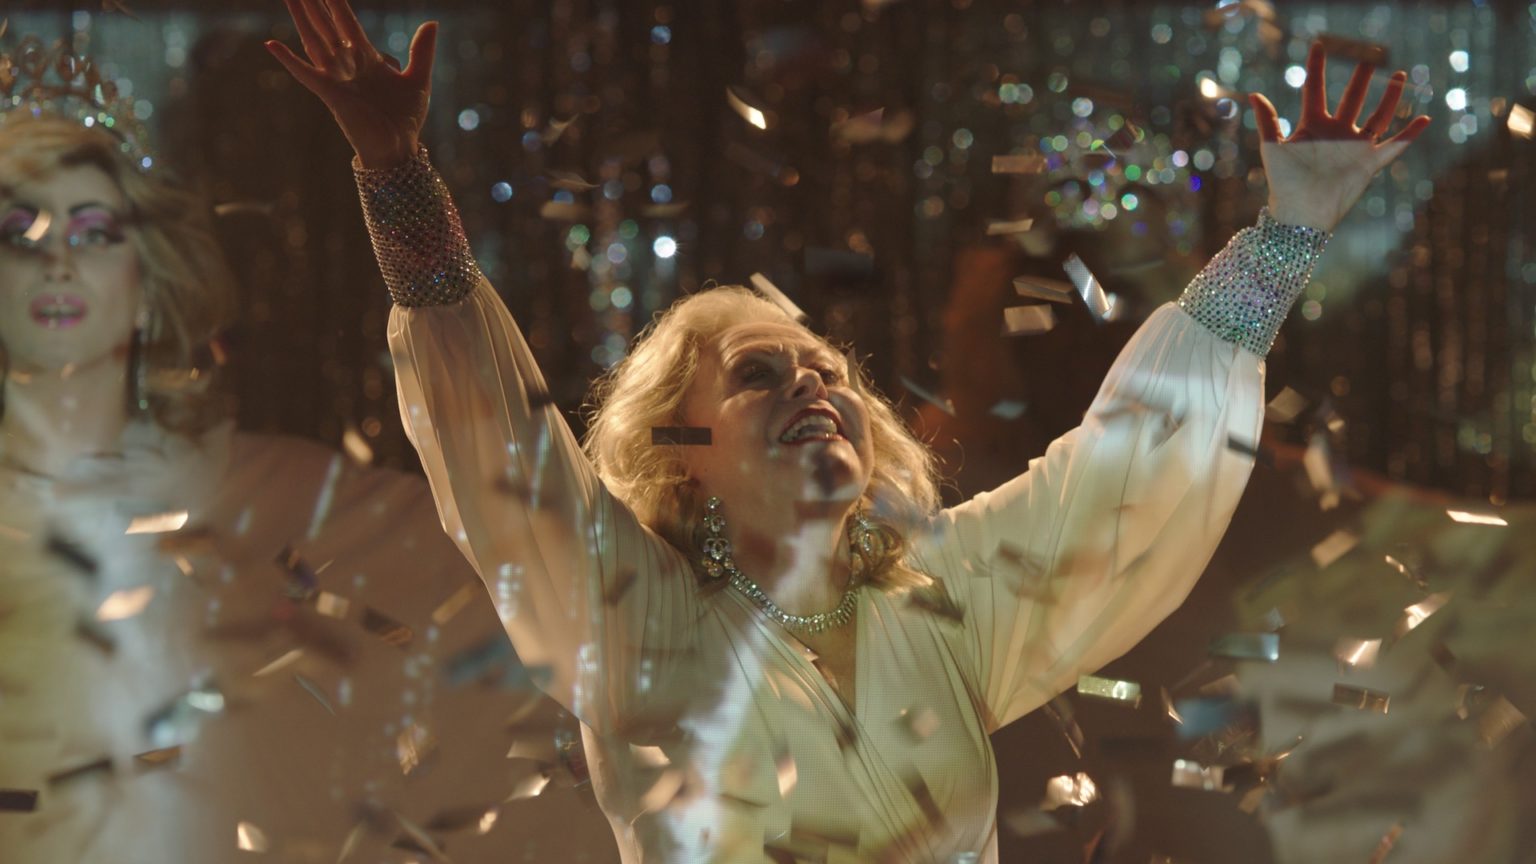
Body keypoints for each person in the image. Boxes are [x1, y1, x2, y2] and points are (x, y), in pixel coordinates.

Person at [269, 1, 1429, 859]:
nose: (814, 388)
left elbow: (1137, 457)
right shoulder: (641, 625)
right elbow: (495, 443)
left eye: (829, 374)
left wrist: (1291, 229)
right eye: (759, 375)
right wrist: (394, 168)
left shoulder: (950, 599)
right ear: (684, 453)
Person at [0, 35, 611, 863]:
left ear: (148, 278)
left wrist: (399, 181)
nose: (57, 261)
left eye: (94, 230)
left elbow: (517, 534)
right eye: (20, 230)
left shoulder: (324, 514)